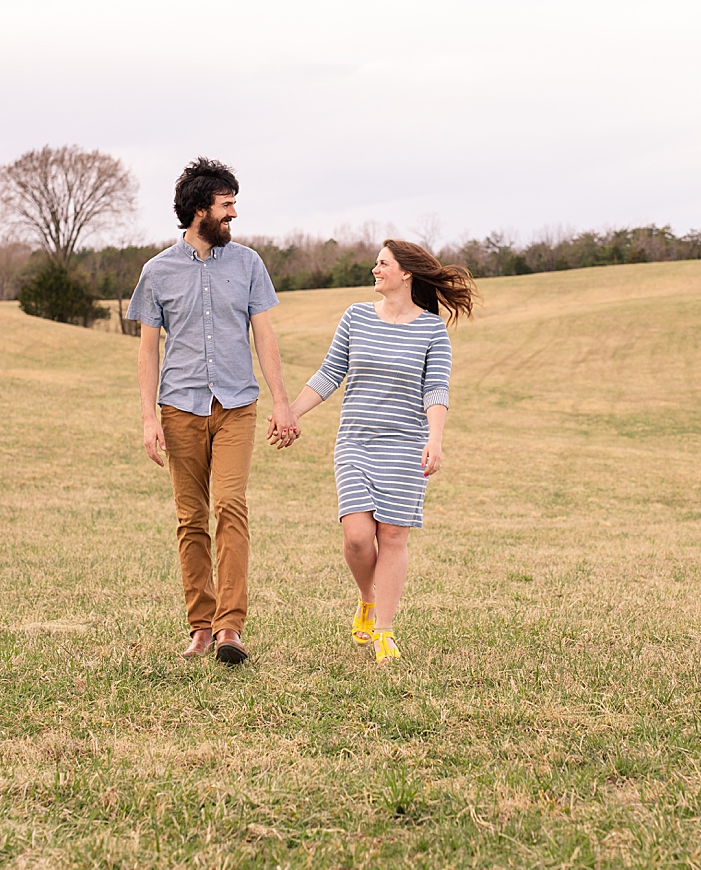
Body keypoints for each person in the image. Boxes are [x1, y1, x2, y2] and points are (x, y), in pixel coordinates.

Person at [128, 157, 299, 663]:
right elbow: (147, 350)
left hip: (236, 406)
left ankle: (230, 628)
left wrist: (282, 401)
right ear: (200, 209)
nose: (234, 215)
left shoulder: (249, 264)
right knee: (191, 518)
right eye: (226, 206)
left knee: (229, 506)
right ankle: (199, 627)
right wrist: (147, 417)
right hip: (179, 408)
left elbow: (264, 336)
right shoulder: (157, 272)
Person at [282, 241, 476, 662]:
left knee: (392, 535)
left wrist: (435, 438)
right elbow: (331, 372)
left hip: (406, 444)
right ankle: (366, 597)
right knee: (356, 538)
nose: (375, 269)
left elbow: (436, 389)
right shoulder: (355, 317)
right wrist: (291, 413)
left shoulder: (431, 330)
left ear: (406, 273)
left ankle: (384, 630)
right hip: (355, 441)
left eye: (382, 264)